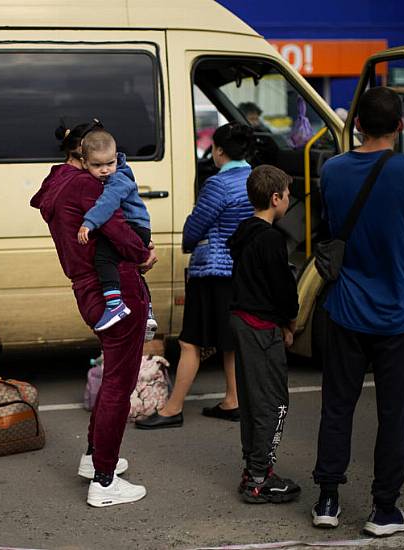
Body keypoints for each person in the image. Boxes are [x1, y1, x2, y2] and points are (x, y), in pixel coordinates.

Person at [311, 87, 404, 535]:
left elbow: (329, 224)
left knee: (337, 408)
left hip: (346, 309)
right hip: (398, 314)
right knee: (393, 415)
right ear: (400, 126)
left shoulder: (333, 170)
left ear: (357, 124)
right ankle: (385, 509)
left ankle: (327, 499)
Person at [31, 123, 157, 507]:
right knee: (119, 384)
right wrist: (142, 254)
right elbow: (118, 232)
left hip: (86, 287)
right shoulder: (87, 186)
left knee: (112, 380)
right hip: (115, 284)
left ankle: (94, 459)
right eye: (99, 160)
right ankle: (104, 482)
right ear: (82, 155)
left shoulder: (57, 181)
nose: (107, 168)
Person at [136, 123, 254, 429]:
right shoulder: (255, 179)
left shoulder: (218, 184)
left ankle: (172, 409)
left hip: (213, 270)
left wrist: (188, 242)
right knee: (228, 340)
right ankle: (233, 400)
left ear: (219, 151)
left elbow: (194, 229)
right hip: (241, 270)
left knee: (191, 342)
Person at [227, 165, 300, 503]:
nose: (290, 199)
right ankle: (260, 478)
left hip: (241, 321)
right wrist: (290, 323)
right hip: (262, 327)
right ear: (275, 198)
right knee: (274, 402)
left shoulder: (244, 232)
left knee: (253, 401)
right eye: (287, 195)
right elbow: (284, 291)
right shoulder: (272, 239)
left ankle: (253, 469)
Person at [76, 126, 156, 338]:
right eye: (97, 165)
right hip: (140, 227)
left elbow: (108, 202)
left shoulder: (118, 179)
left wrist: (89, 223)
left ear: (117, 158)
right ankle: (147, 311)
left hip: (134, 227)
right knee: (132, 270)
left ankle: (115, 304)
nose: (105, 170)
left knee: (103, 258)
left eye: (109, 163)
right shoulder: (113, 174)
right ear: (84, 163)